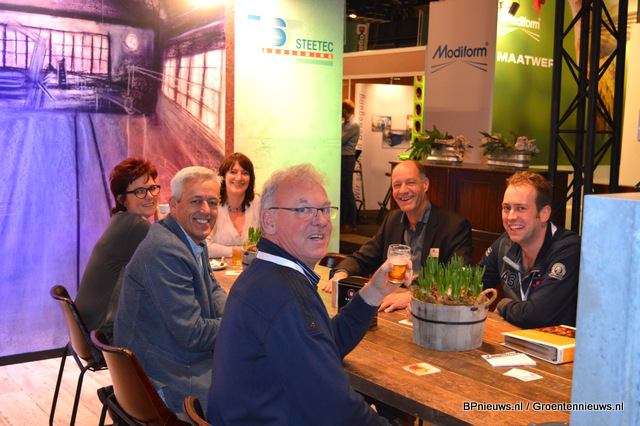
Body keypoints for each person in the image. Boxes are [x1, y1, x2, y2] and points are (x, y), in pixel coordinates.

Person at [207, 163, 412, 425]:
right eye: (303, 210)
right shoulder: (284, 295)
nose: (321, 220)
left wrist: (375, 291)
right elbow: (336, 410)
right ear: (269, 221)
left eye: (325, 210)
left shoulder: (265, 273)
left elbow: (325, 345)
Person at [113, 166, 227, 415]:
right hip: (161, 381)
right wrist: (240, 324)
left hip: (170, 358)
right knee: (260, 389)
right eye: (196, 201)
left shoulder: (189, 237)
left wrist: (235, 314)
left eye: (213, 202)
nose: (206, 210)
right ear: (173, 205)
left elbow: (213, 288)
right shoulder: (166, 251)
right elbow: (193, 334)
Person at [322, 160, 473, 313]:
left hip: (430, 311)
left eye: (410, 183)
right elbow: (364, 257)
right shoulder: (392, 219)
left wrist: (413, 296)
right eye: (397, 185)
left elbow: (458, 279)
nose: (403, 191)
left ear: (425, 185)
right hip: (389, 306)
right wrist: (342, 273)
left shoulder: (454, 226)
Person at [478, 171, 580, 329]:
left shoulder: (568, 249)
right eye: (506, 208)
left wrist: (504, 305)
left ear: (544, 213)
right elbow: (472, 285)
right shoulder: (505, 243)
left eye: (521, 208)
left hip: (556, 343)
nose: (511, 217)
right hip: (516, 337)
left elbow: (536, 315)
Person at [75, 157, 161, 339]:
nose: (150, 196)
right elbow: (167, 270)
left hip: (87, 331)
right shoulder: (137, 225)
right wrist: (164, 228)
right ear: (122, 199)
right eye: (139, 191)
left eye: (152, 188)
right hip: (104, 335)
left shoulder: (121, 220)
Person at [206, 152, 260, 258]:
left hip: (251, 267)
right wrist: (244, 251)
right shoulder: (212, 205)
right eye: (233, 172)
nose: (239, 178)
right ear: (223, 176)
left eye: (245, 173)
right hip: (216, 268)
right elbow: (206, 248)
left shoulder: (258, 203)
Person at [340, 99, 360, 233]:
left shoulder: (353, 124)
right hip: (343, 159)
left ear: (344, 110)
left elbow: (340, 140)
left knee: (347, 191)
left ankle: (352, 223)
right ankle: (344, 222)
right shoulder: (344, 124)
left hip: (347, 160)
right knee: (342, 192)